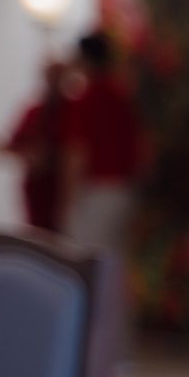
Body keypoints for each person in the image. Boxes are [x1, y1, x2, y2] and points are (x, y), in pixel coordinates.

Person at [61, 31, 142, 267]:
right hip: (124, 190)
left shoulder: (87, 99)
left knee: (87, 263)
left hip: (97, 191)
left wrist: (67, 199)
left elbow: (77, 152)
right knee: (116, 262)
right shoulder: (122, 95)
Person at [0, 60, 71, 232]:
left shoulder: (74, 109)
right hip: (36, 187)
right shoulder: (34, 111)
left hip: (64, 189)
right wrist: (29, 154)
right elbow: (11, 144)